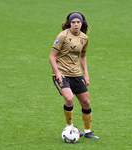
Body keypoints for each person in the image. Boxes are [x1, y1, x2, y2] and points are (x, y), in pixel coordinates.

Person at [49, 11, 99, 139]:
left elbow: (82, 56)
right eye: (73, 22)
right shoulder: (62, 36)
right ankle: (69, 126)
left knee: (86, 102)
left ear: (82, 23)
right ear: (69, 23)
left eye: (78, 22)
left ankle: (88, 132)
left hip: (76, 75)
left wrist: (85, 73)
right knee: (69, 98)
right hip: (62, 75)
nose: (76, 25)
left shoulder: (84, 38)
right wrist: (57, 72)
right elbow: (51, 57)